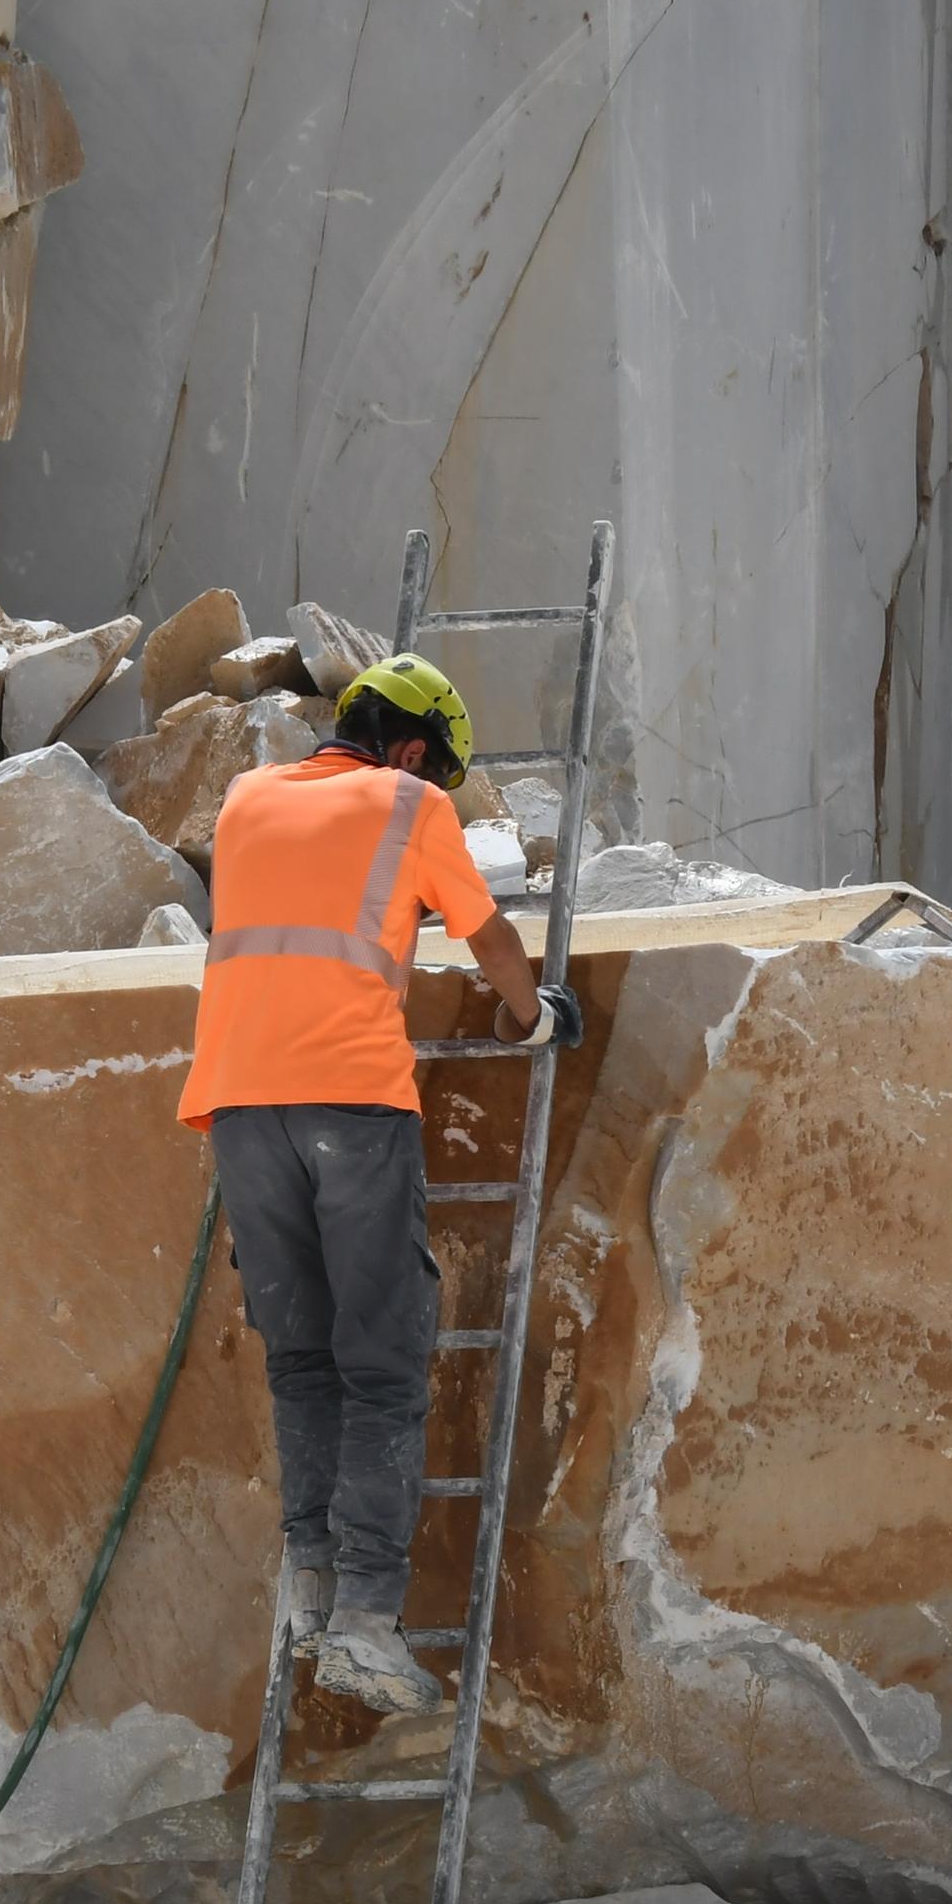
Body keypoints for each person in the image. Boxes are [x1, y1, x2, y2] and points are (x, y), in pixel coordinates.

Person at [176, 653, 581, 1714]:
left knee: (302, 1358)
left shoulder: (245, 796)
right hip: (350, 1103)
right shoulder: (409, 802)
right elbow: (488, 935)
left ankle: (310, 1592)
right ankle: (364, 1619)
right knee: (385, 1364)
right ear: (410, 751)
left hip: (236, 1104)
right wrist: (530, 1015)